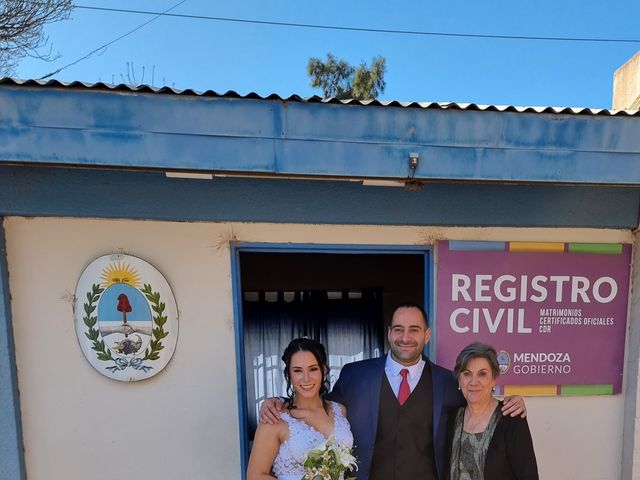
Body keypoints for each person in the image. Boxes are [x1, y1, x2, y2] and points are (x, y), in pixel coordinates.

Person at [260, 303, 526, 480]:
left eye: (414, 330)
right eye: (398, 329)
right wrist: (279, 402)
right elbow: (316, 404)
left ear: (427, 335)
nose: (405, 337)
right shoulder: (355, 375)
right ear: (389, 333)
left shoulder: (448, 382)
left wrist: (509, 403)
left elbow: (478, 405)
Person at [247, 337, 354, 480]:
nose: (306, 379)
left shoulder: (340, 410)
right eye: (297, 371)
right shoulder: (274, 418)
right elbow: (255, 476)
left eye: (313, 369)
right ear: (289, 375)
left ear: (324, 370)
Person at [448, 342, 538, 480]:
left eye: (482, 374)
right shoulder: (451, 417)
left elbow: (528, 475)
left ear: (494, 379)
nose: (474, 382)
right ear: (459, 379)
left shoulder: (512, 418)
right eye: (467, 374)